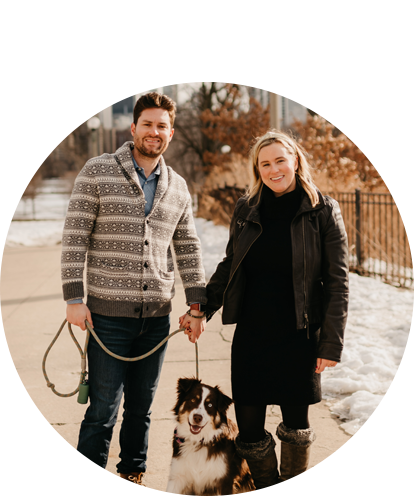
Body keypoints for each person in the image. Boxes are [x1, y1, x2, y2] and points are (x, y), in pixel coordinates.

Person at [61, 92, 207, 496]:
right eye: (148, 124)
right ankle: (87, 487)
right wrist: (74, 298)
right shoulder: (98, 170)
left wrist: (197, 306)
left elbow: (189, 248)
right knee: (103, 411)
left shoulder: (177, 186)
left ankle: (132, 479)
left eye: (162, 126)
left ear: (171, 133)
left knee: (140, 411)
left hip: (157, 318)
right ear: (134, 128)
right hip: (106, 317)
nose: (154, 132)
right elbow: (75, 237)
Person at [204, 130, 349, 496]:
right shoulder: (246, 208)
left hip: (299, 333)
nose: (273, 169)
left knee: (296, 427)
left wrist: (330, 344)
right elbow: (230, 265)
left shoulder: (322, 210)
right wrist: (202, 308)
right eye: (264, 163)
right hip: (253, 334)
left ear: (295, 160)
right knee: (249, 430)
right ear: (258, 169)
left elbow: (337, 281)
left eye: (280, 160)